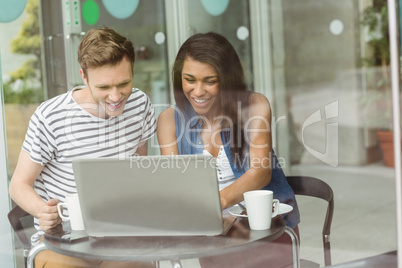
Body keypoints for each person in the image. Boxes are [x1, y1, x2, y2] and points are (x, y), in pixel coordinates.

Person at [9, 27, 156, 268]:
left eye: (124, 83)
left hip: (120, 240)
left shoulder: (140, 105)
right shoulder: (51, 116)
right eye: (104, 88)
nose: (116, 96)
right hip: (61, 244)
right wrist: (42, 212)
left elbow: (138, 171)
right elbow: (18, 185)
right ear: (84, 77)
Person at [157, 32, 300, 267]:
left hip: (263, 229)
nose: (198, 91)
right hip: (213, 234)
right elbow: (176, 185)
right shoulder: (168, 120)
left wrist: (214, 204)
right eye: (189, 79)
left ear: (227, 79)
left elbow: (259, 172)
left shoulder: (254, 106)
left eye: (210, 81)